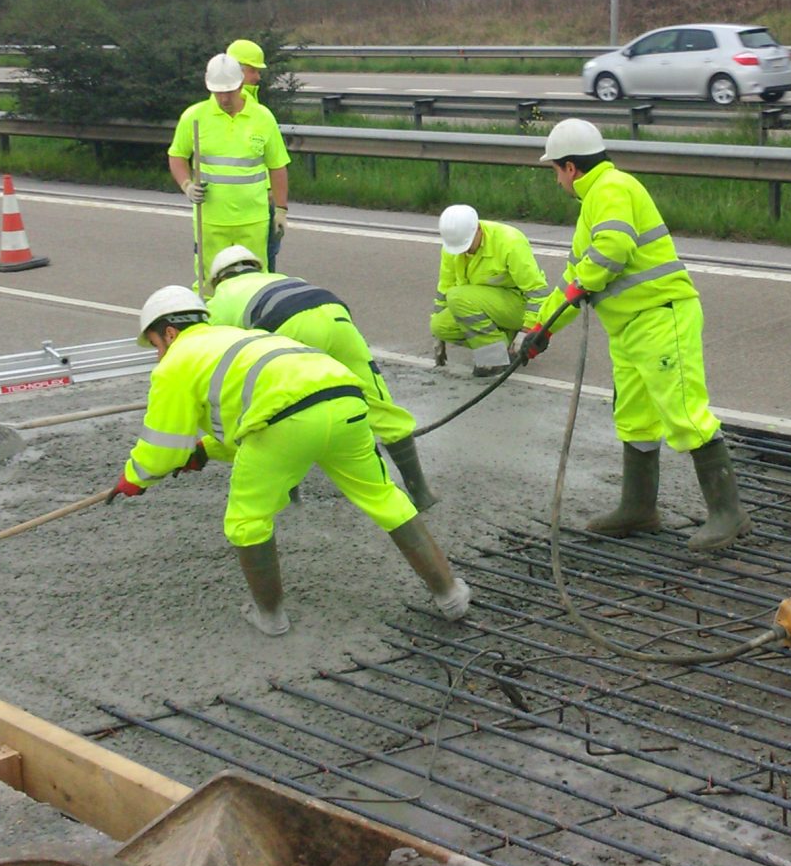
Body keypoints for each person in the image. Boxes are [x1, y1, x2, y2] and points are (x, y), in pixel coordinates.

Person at [114, 285, 471, 638]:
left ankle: (269, 617)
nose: (158, 355)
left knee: (248, 519)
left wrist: (136, 478)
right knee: (383, 496)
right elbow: (245, 421)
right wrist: (205, 451)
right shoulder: (240, 337)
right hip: (344, 401)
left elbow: (164, 448)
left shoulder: (176, 362)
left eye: (156, 345)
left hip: (284, 422)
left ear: (170, 332)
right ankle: (450, 594)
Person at [519, 118, 749, 551]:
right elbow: (573, 279)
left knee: (684, 412)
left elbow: (611, 253)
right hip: (628, 328)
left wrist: (580, 287)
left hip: (661, 318)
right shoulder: (596, 203)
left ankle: (729, 513)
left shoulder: (611, 189)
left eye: (555, 170)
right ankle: (639, 508)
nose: (556, 179)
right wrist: (540, 328)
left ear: (570, 167)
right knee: (635, 419)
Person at [202, 245, 438, 510]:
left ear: (218, 279)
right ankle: (421, 492)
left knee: (283, 407)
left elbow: (217, 355)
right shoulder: (282, 279)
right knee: (375, 399)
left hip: (284, 325)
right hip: (334, 313)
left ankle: (290, 497)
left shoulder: (219, 300)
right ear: (256, 266)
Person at [169, 54, 289, 291]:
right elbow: (177, 155)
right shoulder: (194, 116)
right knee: (210, 285)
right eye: (218, 92)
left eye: (230, 91)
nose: (224, 98)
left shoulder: (262, 117)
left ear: (241, 84)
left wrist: (282, 210)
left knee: (255, 285)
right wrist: (187, 185)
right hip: (211, 219)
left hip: (252, 219)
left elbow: (277, 166)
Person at [431, 204, 552, 377]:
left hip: (518, 306)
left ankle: (494, 360)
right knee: (440, 325)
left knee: (459, 297)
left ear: (479, 229)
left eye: (467, 245)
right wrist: (437, 334)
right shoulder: (453, 246)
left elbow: (537, 291)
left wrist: (528, 331)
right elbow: (444, 287)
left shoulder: (509, 242)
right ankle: (502, 347)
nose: (464, 251)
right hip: (483, 305)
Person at [226, 38, 293, 267]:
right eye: (253, 70)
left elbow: (276, 163)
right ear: (238, 70)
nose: (257, 77)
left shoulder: (259, 113)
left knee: (263, 266)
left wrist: (280, 207)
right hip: (233, 210)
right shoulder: (208, 113)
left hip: (261, 204)